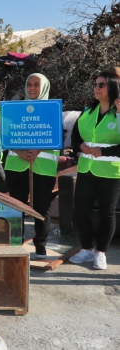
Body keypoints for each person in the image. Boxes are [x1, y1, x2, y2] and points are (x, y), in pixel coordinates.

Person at [69, 70, 120, 270]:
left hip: (110, 172)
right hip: (86, 169)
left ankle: (101, 252)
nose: (96, 88)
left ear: (113, 87)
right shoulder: (87, 110)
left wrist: (103, 150)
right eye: (96, 84)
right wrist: (79, 146)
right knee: (81, 210)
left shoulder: (119, 112)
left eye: (101, 85)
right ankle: (87, 248)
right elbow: (75, 137)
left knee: (107, 213)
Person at [5, 73, 59, 259]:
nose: (33, 88)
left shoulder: (52, 109)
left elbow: (54, 135)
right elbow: (8, 133)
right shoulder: (16, 109)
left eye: (37, 84)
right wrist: (20, 152)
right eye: (29, 84)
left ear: (44, 86)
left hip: (43, 167)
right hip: (16, 165)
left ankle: (40, 245)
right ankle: (16, 243)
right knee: (16, 206)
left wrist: (37, 150)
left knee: (41, 208)